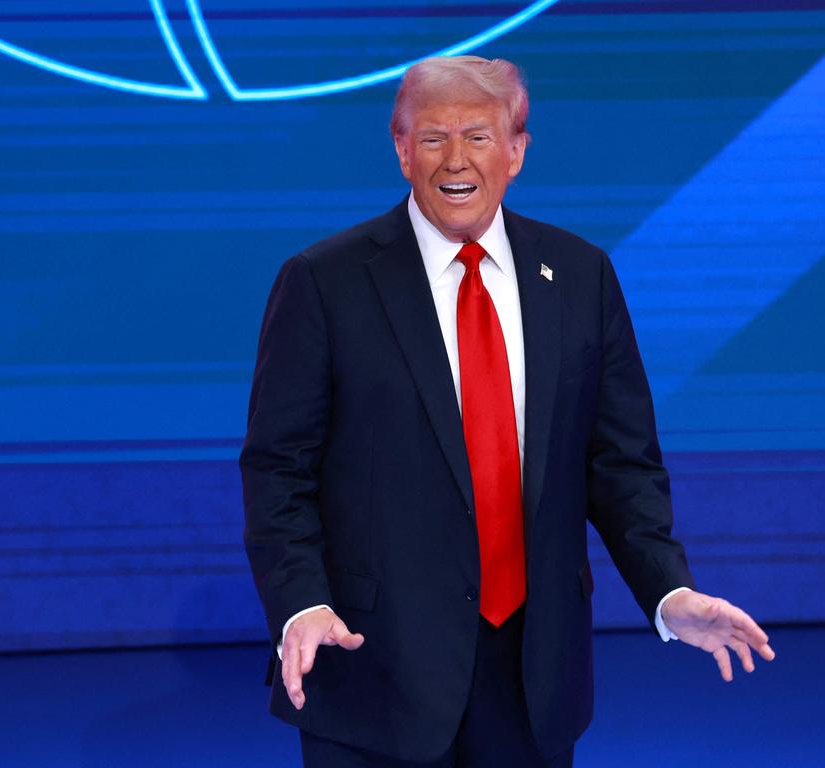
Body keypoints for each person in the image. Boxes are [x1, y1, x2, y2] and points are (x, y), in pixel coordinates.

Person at [240, 55, 775, 768]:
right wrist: (300, 603)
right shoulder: (324, 283)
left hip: (532, 677)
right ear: (400, 149)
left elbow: (620, 466)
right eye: (431, 138)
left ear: (518, 150)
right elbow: (278, 470)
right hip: (373, 669)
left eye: (478, 136)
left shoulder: (580, 277)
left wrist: (667, 589)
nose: (454, 160)